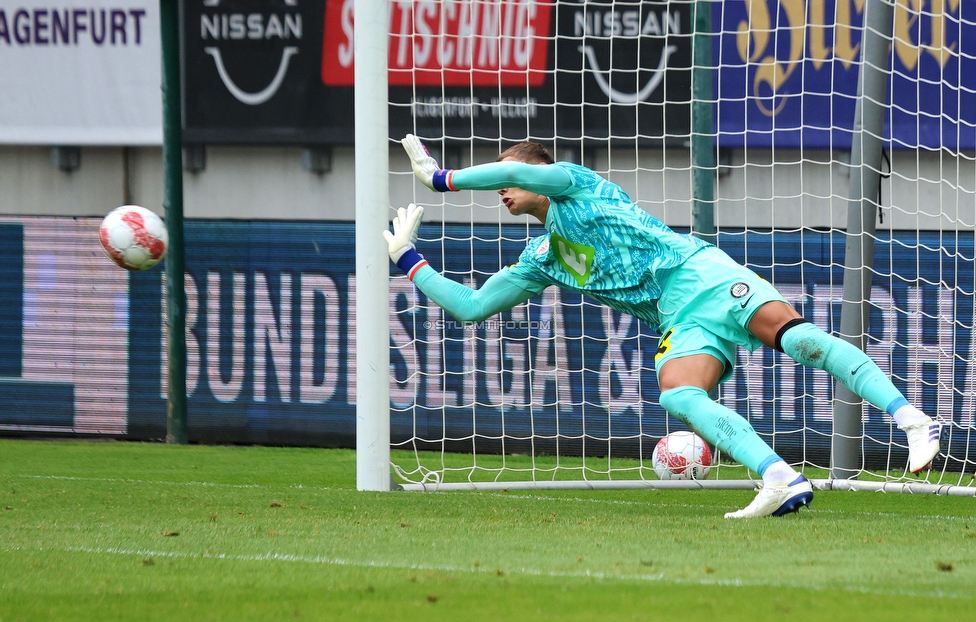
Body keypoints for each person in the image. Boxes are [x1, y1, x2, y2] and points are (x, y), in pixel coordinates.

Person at [384, 134, 942, 518]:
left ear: (540, 177)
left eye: (514, 178)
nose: (504, 190)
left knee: (794, 337)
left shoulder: (578, 185)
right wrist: (410, 260)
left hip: (697, 272)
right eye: (502, 185)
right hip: (678, 316)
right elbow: (473, 306)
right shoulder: (542, 257)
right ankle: (778, 477)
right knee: (678, 392)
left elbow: (509, 169)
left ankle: (912, 419)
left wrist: (442, 178)